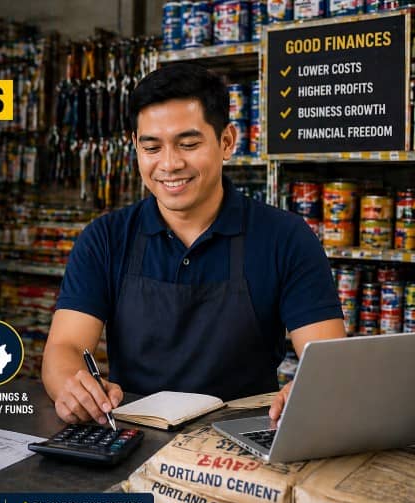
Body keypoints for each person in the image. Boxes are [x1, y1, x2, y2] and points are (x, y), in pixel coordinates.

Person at [41, 62, 346, 427]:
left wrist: (308, 391)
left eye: (188, 144)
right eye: (152, 147)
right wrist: (71, 387)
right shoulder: (105, 238)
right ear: (135, 146)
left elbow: (328, 362)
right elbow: (65, 347)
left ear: (227, 142)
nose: (169, 164)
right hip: (131, 433)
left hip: (244, 440)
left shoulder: (287, 238)